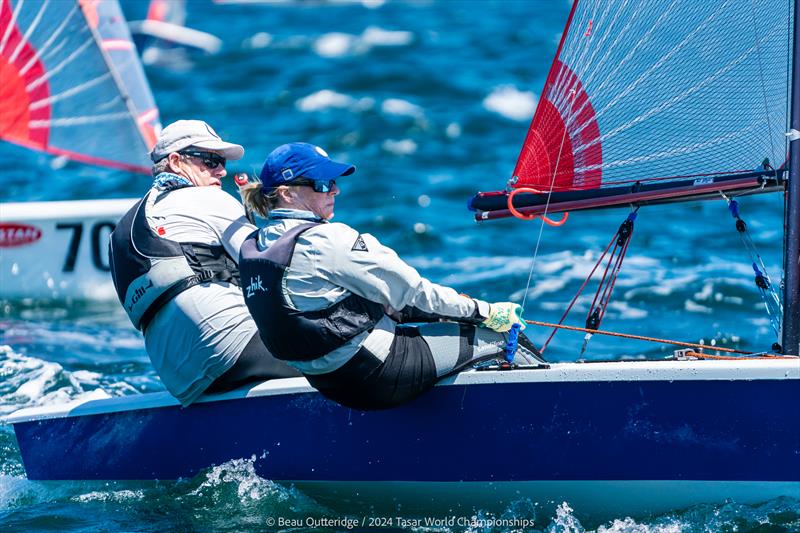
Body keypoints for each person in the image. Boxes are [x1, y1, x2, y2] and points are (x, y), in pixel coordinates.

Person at [239, 142, 543, 410]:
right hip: (378, 375)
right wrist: (486, 311)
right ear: (288, 194)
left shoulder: (254, 245)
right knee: (506, 335)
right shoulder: (327, 240)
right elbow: (416, 292)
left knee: (434, 318)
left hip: (330, 383)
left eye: (333, 182)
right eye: (322, 183)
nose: (335, 190)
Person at [109, 120, 300, 406]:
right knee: (349, 350)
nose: (221, 170)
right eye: (210, 161)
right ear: (175, 161)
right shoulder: (206, 197)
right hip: (231, 349)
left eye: (221, 162)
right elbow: (277, 268)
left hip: (180, 379)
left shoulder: (123, 229)